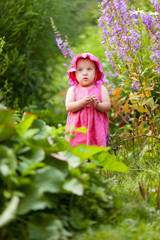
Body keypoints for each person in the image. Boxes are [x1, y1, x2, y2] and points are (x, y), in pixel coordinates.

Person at [65, 53, 111, 147]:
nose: (85, 73)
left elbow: (107, 106)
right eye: (80, 70)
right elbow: (69, 107)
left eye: (89, 69)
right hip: (77, 128)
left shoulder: (101, 89)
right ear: (74, 73)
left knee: (97, 151)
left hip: (96, 129)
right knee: (77, 150)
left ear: (96, 72)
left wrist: (97, 105)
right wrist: (82, 102)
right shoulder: (73, 90)